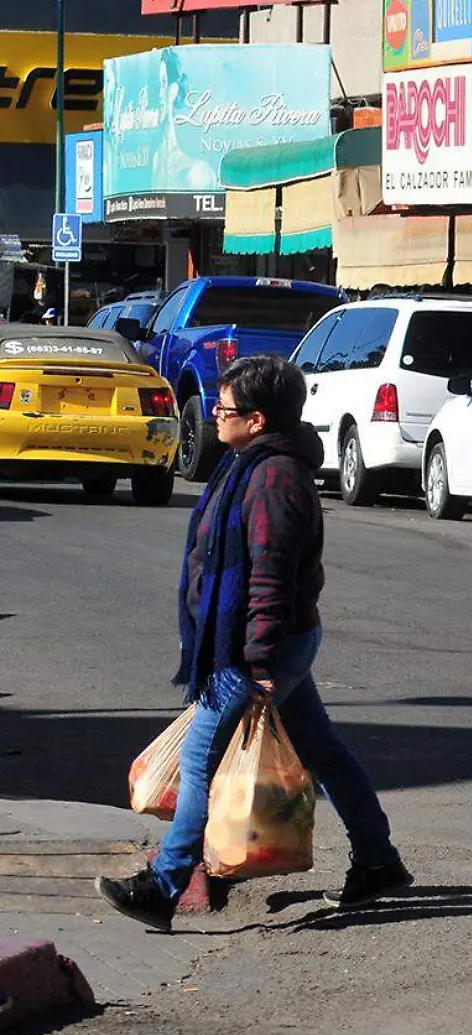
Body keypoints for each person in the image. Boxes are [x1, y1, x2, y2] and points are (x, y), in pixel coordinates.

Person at [96, 357, 408, 931]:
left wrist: (259, 661)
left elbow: (270, 575)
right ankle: (378, 859)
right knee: (324, 753)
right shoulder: (250, 465)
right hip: (269, 641)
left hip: (259, 645)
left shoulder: (273, 479)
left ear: (258, 419)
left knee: (199, 757)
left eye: (226, 408)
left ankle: (162, 887)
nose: (215, 414)